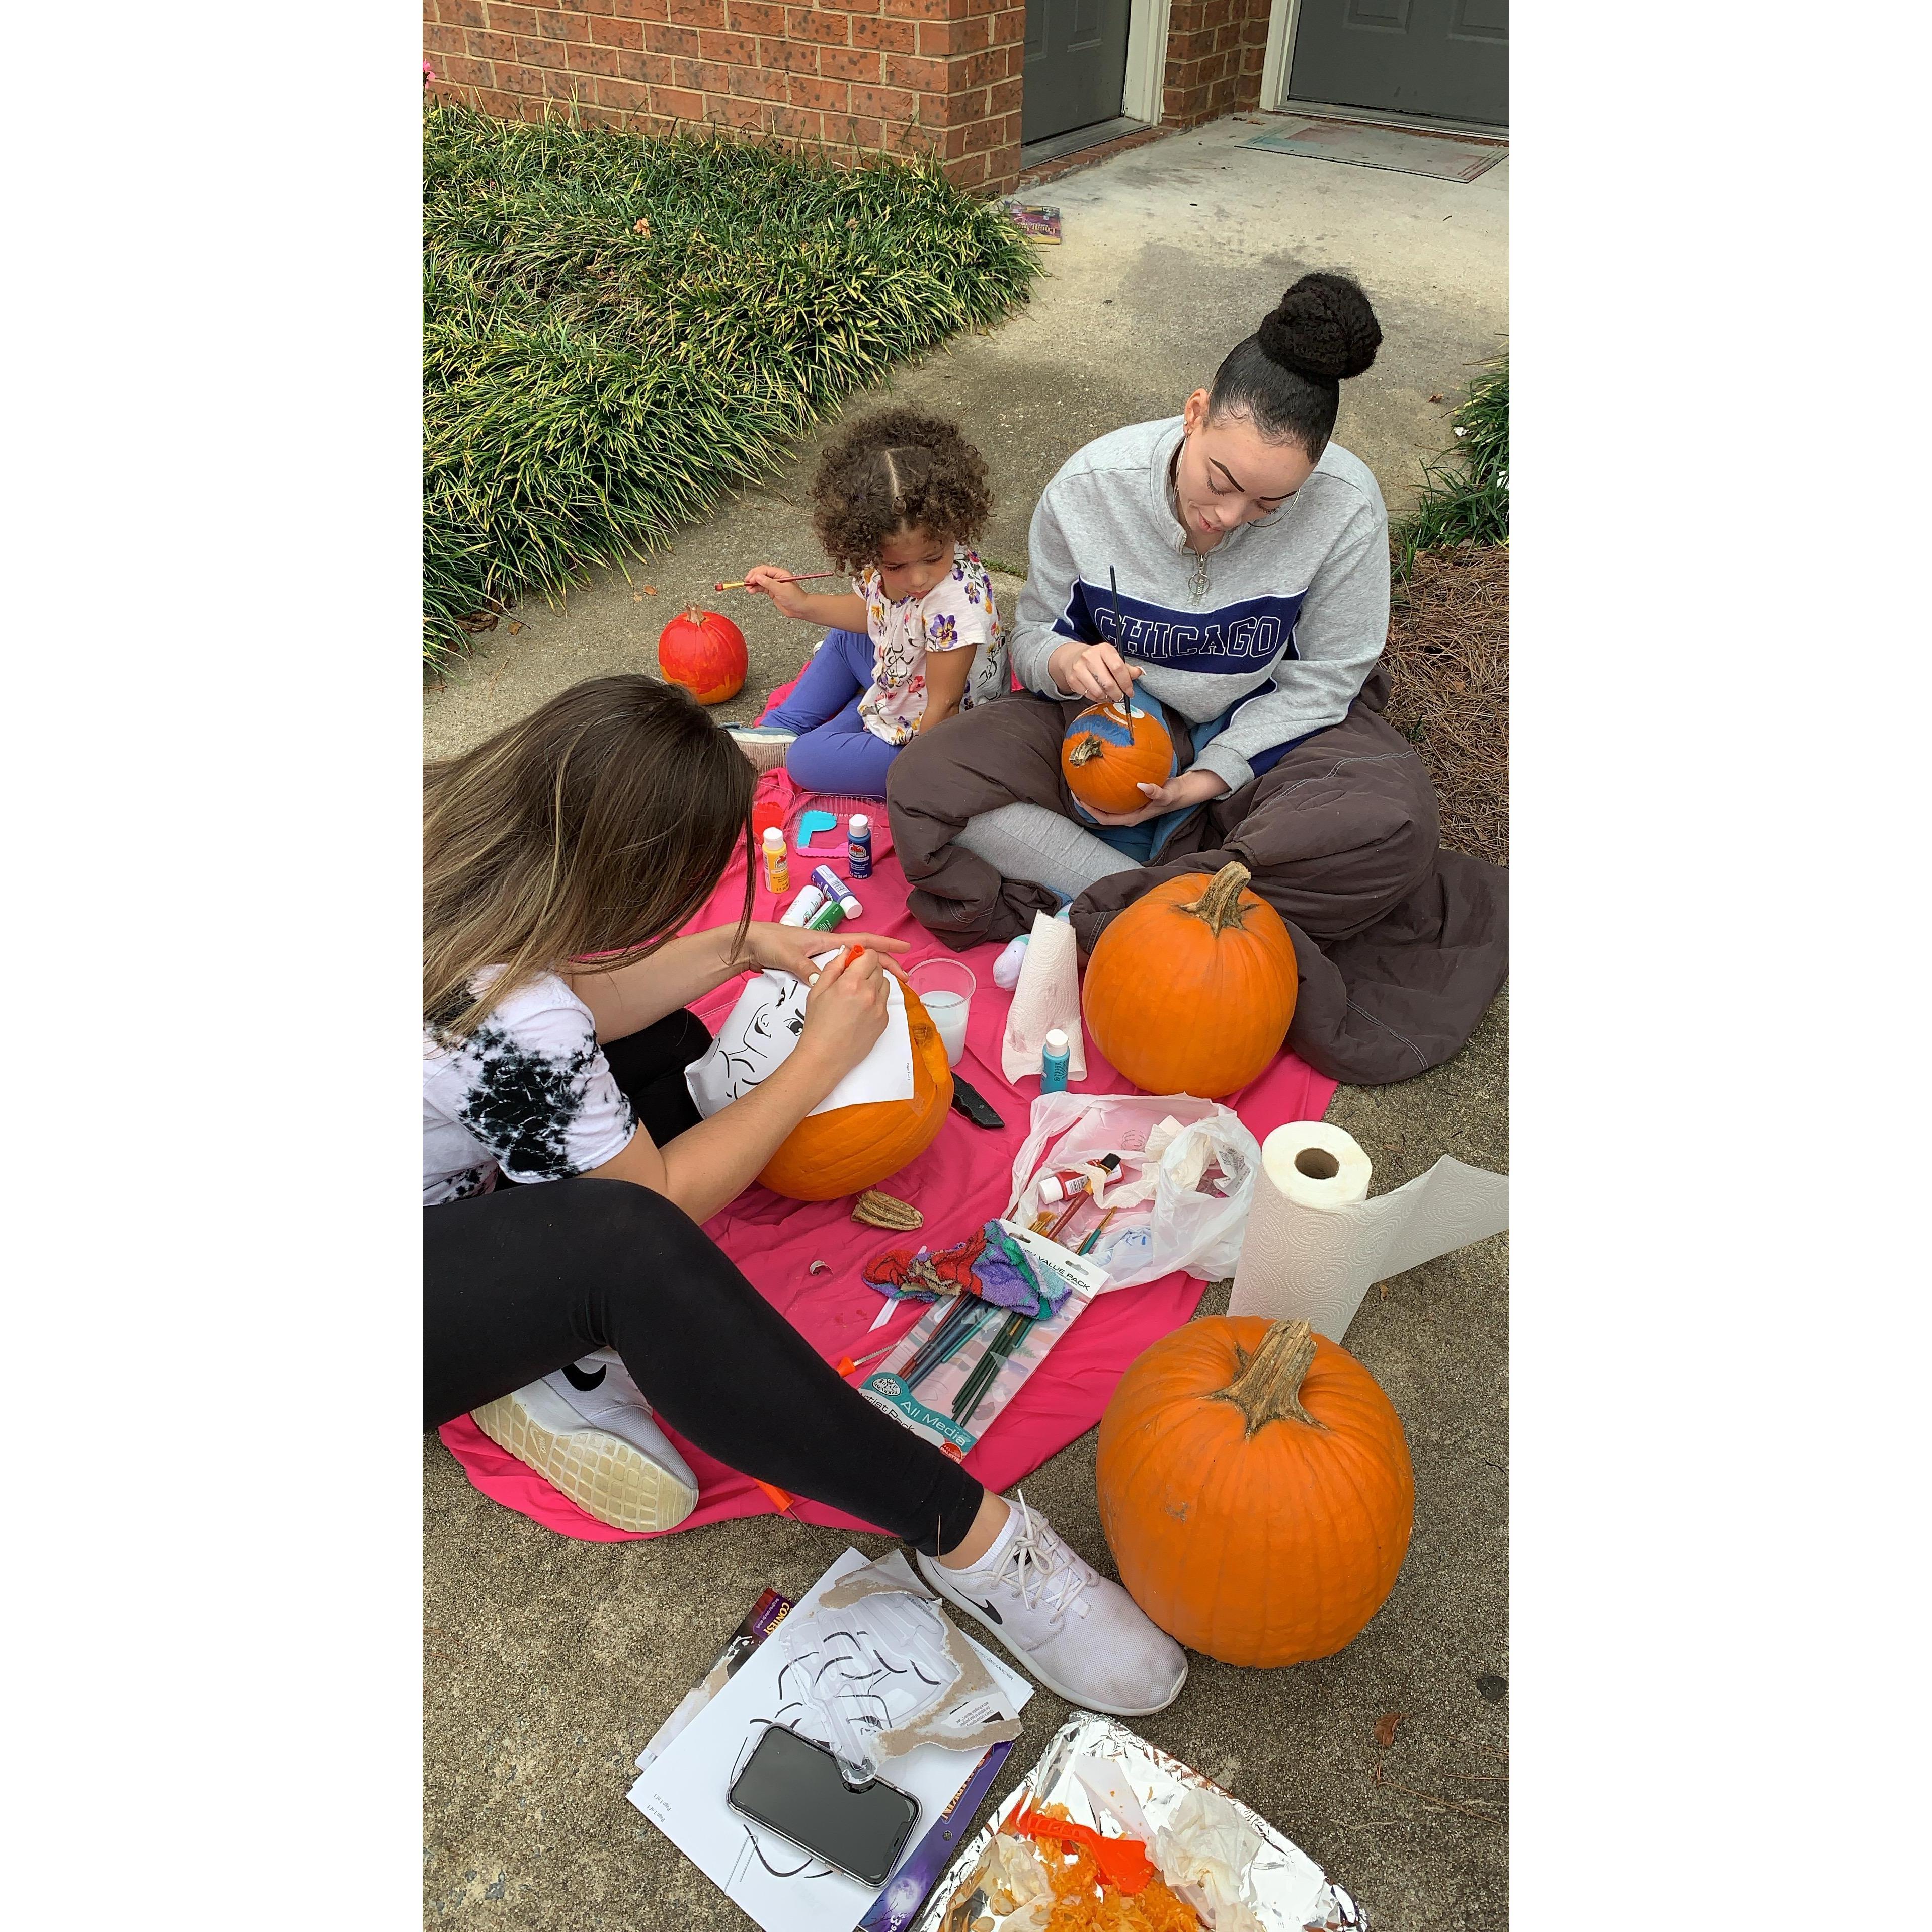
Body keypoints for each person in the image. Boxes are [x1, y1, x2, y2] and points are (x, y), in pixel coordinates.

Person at [423, 673, 1186, 1718]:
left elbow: (558, 1001)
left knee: (672, 1045)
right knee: (628, 1252)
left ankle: (534, 1337)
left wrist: (742, 948)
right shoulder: (516, 1015)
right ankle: (973, 1543)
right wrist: (814, 1065)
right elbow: (649, 1204)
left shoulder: (446, 839)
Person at [886, 273, 1508, 1084]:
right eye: (1220, 480)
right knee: (927, 778)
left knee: (1391, 827)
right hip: (1111, 720)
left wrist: (1217, 771)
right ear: (1194, 413)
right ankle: (1183, 908)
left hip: (1273, 731)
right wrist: (1067, 661)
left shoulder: (1347, 505)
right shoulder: (1088, 489)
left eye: (1269, 504)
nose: (1229, 516)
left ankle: (1122, 900)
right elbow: (1033, 637)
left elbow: (1330, 679)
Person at [726, 407, 1008, 795]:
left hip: (941, 731)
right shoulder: (888, 563)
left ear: (954, 527)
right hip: (905, 681)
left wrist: (915, 773)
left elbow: (944, 708)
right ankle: (784, 726)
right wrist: (802, 603)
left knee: (808, 760)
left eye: (933, 556)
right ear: (866, 550)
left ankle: (820, 733)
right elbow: (876, 616)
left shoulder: (953, 603)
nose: (918, 578)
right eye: (895, 566)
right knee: (844, 638)